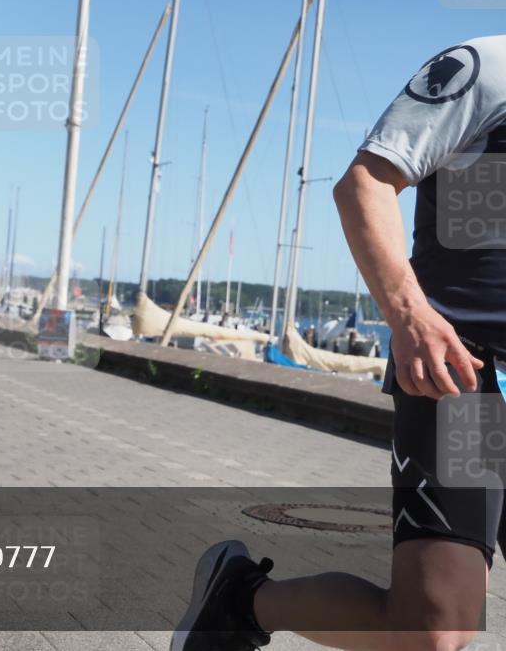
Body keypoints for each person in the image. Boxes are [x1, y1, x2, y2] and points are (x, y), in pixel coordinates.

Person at [172, 35, 505, 650]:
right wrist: (409, 315)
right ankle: (239, 601)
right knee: (432, 629)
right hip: (464, 375)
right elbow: (364, 185)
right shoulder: (487, 67)